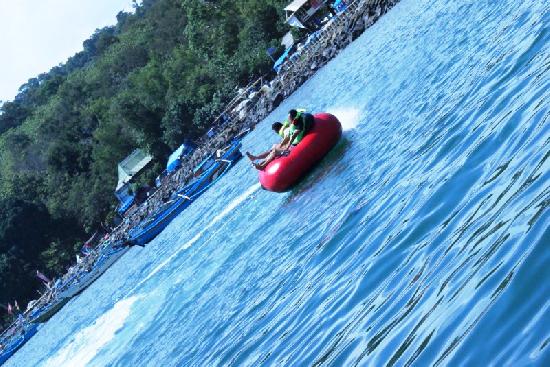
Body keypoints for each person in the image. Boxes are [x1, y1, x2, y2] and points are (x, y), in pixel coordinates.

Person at [247, 109, 314, 170]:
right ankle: (259, 160)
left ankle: (262, 165)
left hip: (295, 145)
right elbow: (289, 136)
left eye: (289, 118)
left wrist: (287, 146)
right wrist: (282, 144)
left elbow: (293, 136)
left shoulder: (298, 124)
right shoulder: (294, 123)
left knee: (275, 150)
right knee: (274, 147)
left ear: (293, 118)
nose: (288, 119)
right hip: (293, 141)